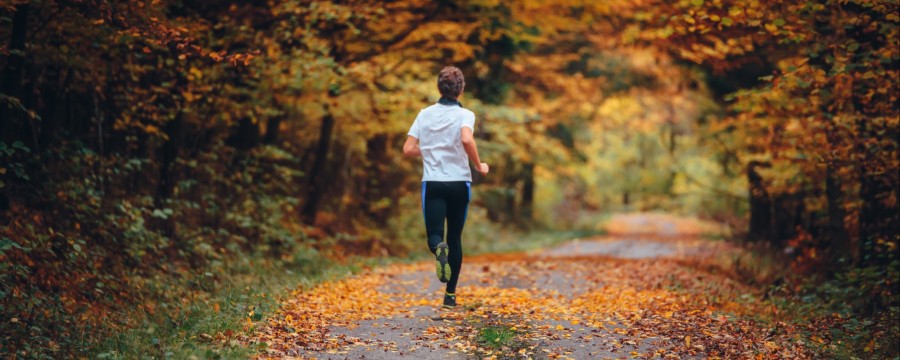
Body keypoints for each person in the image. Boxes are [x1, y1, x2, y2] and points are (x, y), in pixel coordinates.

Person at [403, 66, 489, 309]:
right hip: (460, 182)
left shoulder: (424, 114)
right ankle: (450, 295)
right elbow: (466, 139)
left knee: (435, 235)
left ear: (439, 88)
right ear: (461, 90)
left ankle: (438, 249)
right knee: (456, 237)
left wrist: (430, 151)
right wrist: (479, 165)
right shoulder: (466, 115)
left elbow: (408, 149)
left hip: (433, 183)